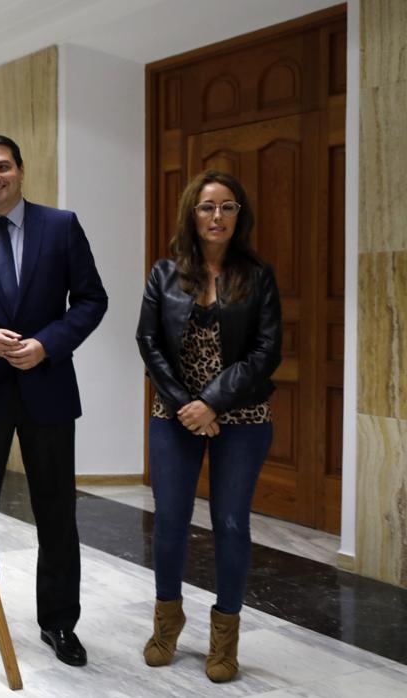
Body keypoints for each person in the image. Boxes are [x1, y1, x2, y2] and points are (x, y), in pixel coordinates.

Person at [0, 132, 107, 666]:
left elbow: (92, 299)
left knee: (57, 510)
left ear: (19, 169)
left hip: (49, 388)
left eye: (1, 167)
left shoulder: (61, 227)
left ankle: (59, 623)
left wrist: (47, 345)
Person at [136, 170, 281, 683]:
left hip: (242, 416)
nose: (217, 216)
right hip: (175, 415)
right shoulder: (164, 273)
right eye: (207, 207)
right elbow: (148, 342)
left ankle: (225, 640)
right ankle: (166, 625)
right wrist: (187, 406)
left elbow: (267, 351)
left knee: (231, 523)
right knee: (170, 520)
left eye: (227, 207)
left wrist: (212, 403)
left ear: (239, 215)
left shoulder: (258, 276)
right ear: (191, 214)